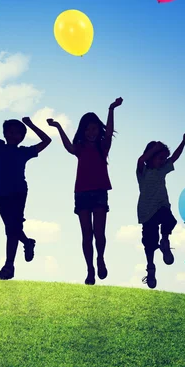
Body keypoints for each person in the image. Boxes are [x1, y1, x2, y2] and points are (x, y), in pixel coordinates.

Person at [47, 97, 122, 285]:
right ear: (83, 130)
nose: (91, 132)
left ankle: (101, 258)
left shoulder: (102, 147)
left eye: (95, 129)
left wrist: (111, 109)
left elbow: (110, 130)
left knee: (99, 233)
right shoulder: (79, 148)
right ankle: (90, 269)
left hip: (99, 193)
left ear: (99, 130)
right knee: (86, 235)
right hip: (81, 194)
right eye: (87, 129)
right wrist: (58, 127)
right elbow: (68, 147)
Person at [0, 85, 52, 280]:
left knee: (11, 229)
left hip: (18, 192)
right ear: (5, 133)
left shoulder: (24, 152)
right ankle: (27, 243)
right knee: (11, 228)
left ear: (22, 136)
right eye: (10, 132)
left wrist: (30, 124)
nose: (14, 135)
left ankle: (8, 266)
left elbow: (47, 141)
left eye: (18, 133)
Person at [137, 132, 185, 289]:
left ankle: (165, 240)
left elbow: (175, 157)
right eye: (159, 158)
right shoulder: (143, 172)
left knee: (169, 220)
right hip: (147, 213)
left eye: (162, 159)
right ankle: (151, 268)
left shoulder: (162, 170)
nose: (162, 162)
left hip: (161, 206)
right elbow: (141, 160)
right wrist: (155, 148)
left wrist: (183, 141)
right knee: (149, 242)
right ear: (151, 156)